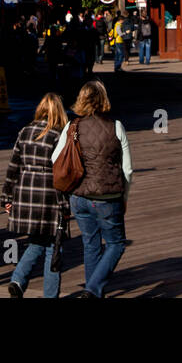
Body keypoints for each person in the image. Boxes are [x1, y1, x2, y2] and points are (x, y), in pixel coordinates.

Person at [52, 79, 132, 298]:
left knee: (91, 244)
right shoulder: (115, 126)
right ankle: (93, 289)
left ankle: (93, 290)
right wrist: (124, 196)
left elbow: (55, 157)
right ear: (103, 100)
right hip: (108, 196)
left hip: (79, 196)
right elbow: (127, 170)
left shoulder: (72, 126)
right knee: (116, 243)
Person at [1, 93, 71, 298]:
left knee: (37, 241)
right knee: (53, 246)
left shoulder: (24, 131)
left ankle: (18, 279)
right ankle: (47, 293)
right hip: (50, 195)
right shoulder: (59, 136)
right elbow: (63, 172)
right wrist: (66, 204)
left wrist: (7, 196)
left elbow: (13, 166)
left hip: (25, 192)